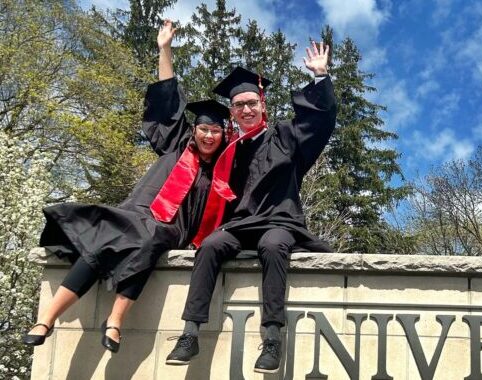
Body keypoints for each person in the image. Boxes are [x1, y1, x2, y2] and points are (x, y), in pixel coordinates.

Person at [22, 20, 229, 353]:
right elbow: (168, 100)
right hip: (138, 210)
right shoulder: (177, 144)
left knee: (149, 238)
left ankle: (115, 319)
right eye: (203, 129)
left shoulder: (220, 172)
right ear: (195, 131)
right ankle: (46, 318)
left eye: (215, 131)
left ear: (223, 136)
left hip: (169, 227)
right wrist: (165, 50)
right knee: (104, 240)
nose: (208, 135)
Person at [165, 41, 337, 373]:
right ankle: (190, 333)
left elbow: (319, 123)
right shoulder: (229, 150)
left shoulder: (285, 136)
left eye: (251, 103)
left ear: (262, 104)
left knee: (273, 247)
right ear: (231, 112)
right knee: (211, 245)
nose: (246, 110)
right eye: (239, 105)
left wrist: (320, 76)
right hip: (243, 225)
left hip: (279, 221)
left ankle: (272, 338)